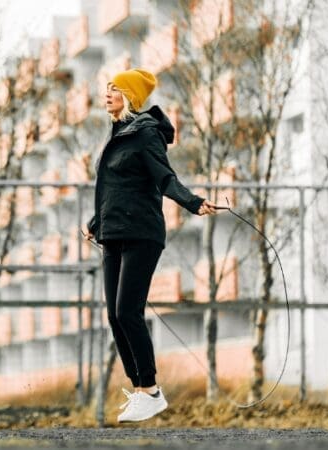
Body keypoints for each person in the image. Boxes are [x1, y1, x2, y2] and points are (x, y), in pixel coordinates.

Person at [82, 68, 217, 423]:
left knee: (129, 311)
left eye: (115, 89)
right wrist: (96, 224)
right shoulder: (117, 134)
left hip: (142, 233)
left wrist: (192, 201)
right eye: (107, 87)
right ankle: (142, 390)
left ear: (130, 97)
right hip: (113, 234)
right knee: (114, 316)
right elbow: (115, 188)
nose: (107, 93)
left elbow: (164, 177)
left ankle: (151, 390)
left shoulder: (145, 135)